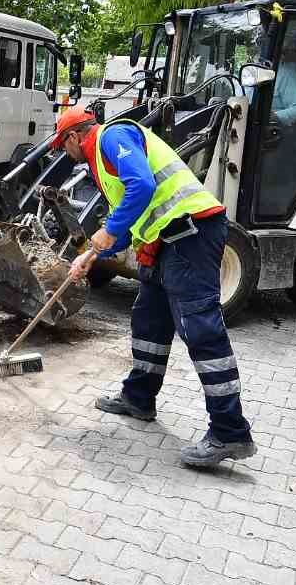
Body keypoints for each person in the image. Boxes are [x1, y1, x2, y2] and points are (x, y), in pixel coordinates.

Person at [53, 106, 257, 468]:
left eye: (62, 145)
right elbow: (132, 218)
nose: (64, 154)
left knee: (201, 330)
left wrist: (105, 234)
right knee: (149, 321)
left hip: (191, 234)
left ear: (73, 137)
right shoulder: (104, 162)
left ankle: (230, 431)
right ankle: (139, 397)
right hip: (164, 243)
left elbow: (143, 186)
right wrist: (90, 255)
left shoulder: (111, 137)